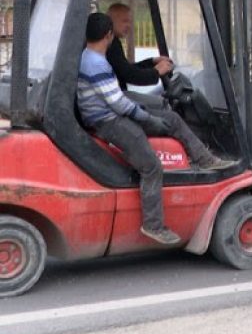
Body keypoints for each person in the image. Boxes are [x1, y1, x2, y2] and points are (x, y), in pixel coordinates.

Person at [77, 13, 232, 245]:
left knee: (171, 118)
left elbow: (119, 90)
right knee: (151, 167)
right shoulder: (97, 63)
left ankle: (204, 158)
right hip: (108, 121)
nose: (128, 24)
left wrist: (147, 112)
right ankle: (153, 225)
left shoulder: (88, 57)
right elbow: (118, 103)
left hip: (108, 114)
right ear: (109, 35)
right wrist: (147, 119)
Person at [106, 2, 173, 90]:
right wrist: (156, 72)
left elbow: (126, 68)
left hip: (116, 93)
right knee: (158, 103)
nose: (129, 26)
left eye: (130, 22)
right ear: (111, 20)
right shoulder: (110, 44)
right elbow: (129, 75)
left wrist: (152, 62)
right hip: (114, 97)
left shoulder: (114, 41)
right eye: (124, 21)